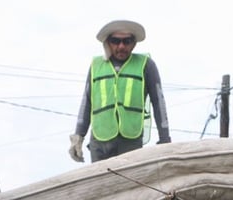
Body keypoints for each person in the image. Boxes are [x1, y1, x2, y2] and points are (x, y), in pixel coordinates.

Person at [69, 19, 171, 163]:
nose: (121, 46)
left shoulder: (146, 65)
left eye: (127, 41)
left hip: (130, 141)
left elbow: (158, 102)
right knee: (101, 184)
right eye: (116, 41)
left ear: (134, 43)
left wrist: (165, 138)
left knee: (130, 183)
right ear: (108, 43)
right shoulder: (96, 66)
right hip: (100, 142)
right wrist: (78, 136)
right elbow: (87, 102)